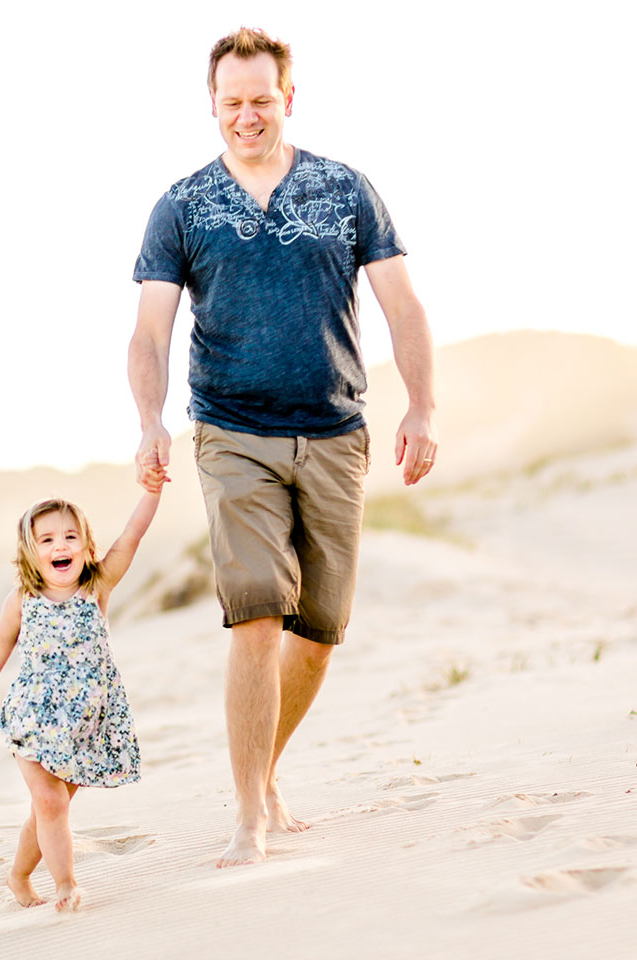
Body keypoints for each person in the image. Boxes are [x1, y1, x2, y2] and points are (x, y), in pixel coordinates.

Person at [128, 27, 437, 868]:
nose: (247, 116)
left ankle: (264, 774)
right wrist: (152, 419)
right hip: (232, 433)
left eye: (262, 99)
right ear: (213, 105)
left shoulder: (345, 189)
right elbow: (151, 331)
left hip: (337, 432)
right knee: (258, 609)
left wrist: (422, 407)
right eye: (231, 102)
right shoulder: (182, 205)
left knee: (319, 628)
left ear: (288, 98)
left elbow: (403, 306)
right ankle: (246, 817)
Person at [0, 483, 164, 911]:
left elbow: (133, 533)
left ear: (85, 545)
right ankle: (66, 884)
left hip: (85, 724)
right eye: (46, 539)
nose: (60, 546)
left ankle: (18, 875)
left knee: (50, 809)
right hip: (33, 716)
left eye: (69, 536)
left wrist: (151, 491)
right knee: (49, 800)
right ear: (30, 551)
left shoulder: (97, 585)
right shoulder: (22, 599)